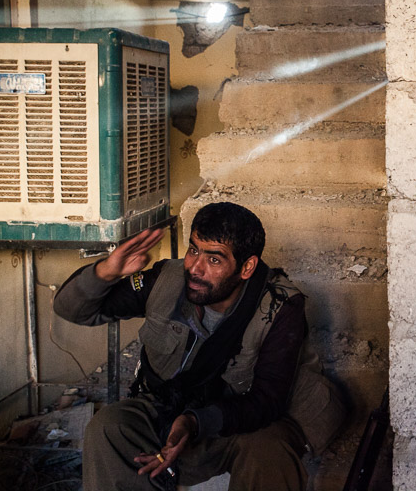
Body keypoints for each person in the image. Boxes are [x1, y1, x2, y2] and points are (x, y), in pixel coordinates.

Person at [54, 202, 345, 490]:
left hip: (243, 420)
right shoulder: (167, 279)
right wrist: (106, 272)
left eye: (214, 260)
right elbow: (74, 311)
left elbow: (266, 402)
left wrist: (194, 422)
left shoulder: (279, 307)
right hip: (172, 407)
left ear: (247, 267)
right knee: (109, 427)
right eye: (194, 250)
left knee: (267, 449)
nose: (195, 267)